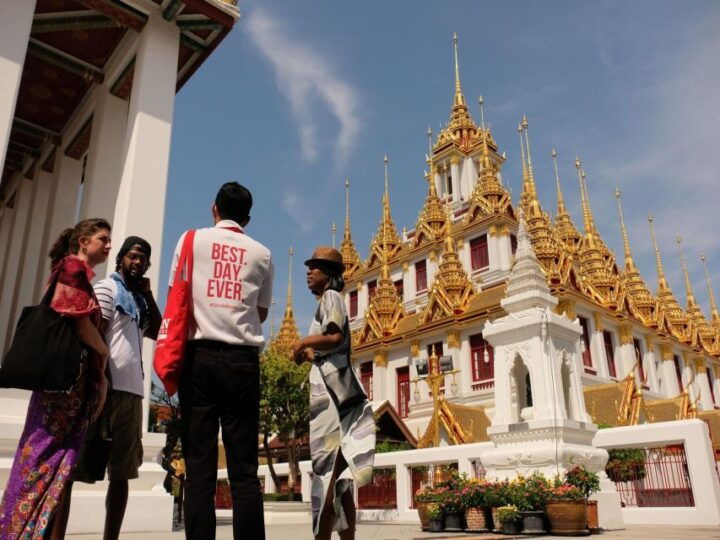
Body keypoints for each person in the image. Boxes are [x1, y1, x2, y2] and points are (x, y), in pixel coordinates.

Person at [169, 182, 274, 540]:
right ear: (247, 217)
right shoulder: (262, 253)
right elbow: (260, 310)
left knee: (199, 468)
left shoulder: (190, 240)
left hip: (199, 358)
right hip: (242, 362)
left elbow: (176, 296)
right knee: (244, 468)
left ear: (214, 209)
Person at [0, 218, 112, 539]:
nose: (108, 245)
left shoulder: (76, 275)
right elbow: (76, 319)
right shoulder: (71, 271)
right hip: (64, 389)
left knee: (47, 460)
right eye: (102, 239)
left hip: (70, 386)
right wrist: (102, 356)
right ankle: (18, 531)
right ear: (82, 242)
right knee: (42, 459)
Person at [72, 236, 162, 539]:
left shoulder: (138, 300)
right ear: (121, 258)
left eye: (143, 259)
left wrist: (148, 295)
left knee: (122, 473)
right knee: (79, 466)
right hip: (105, 389)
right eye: (133, 256)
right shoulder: (108, 289)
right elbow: (94, 335)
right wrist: (100, 380)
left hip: (133, 392)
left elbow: (158, 330)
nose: (138, 262)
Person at [293, 247, 375, 540]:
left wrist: (303, 342)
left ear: (328, 274)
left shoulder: (331, 297)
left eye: (314, 268)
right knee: (339, 481)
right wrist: (309, 354)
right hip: (335, 394)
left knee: (325, 475)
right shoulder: (328, 302)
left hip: (330, 399)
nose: (308, 273)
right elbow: (330, 347)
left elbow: (335, 337)